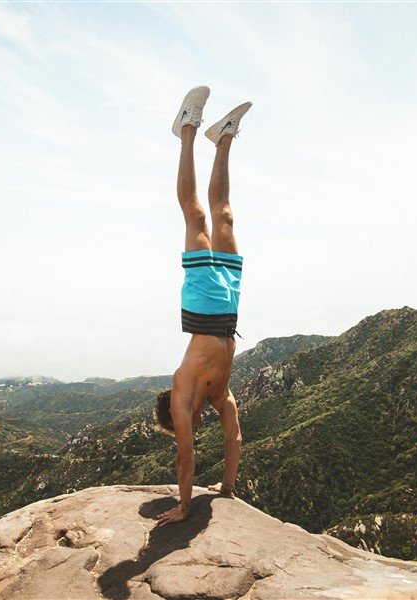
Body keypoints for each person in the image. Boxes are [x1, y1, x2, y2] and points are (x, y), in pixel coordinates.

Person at [154, 86, 252, 527]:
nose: (190, 424)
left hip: (201, 310)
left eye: (183, 422)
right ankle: (224, 137)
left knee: (195, 215)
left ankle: (187, 131)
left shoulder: (182, 395)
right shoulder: (220, 397)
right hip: (229, 311)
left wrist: (184, 506)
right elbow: (235, 440)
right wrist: (227, 489)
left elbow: (185, 461)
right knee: (225, 215)